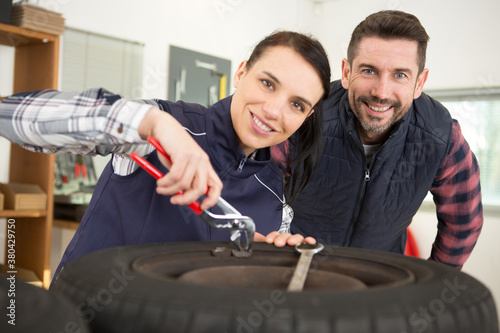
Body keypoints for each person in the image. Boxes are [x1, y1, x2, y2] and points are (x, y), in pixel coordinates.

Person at [0, 31, 330, 281]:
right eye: (268, 83)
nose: (274, 111)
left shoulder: (276, 198)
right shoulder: (159, 123)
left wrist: (270, 266)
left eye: (297, 104)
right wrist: (153, 124)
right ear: (241, 72)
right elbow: (13, 116)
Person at [284, 10, 483, 270]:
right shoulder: (307, 113)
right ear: (346, 72)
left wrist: (433, 282)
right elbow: (254, 180)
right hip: (294, 270)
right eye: (369, 70)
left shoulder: (442, 137)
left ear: (419, 82)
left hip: (377, 283)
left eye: (400, 75)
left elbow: (464, 222)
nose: (381, 92)